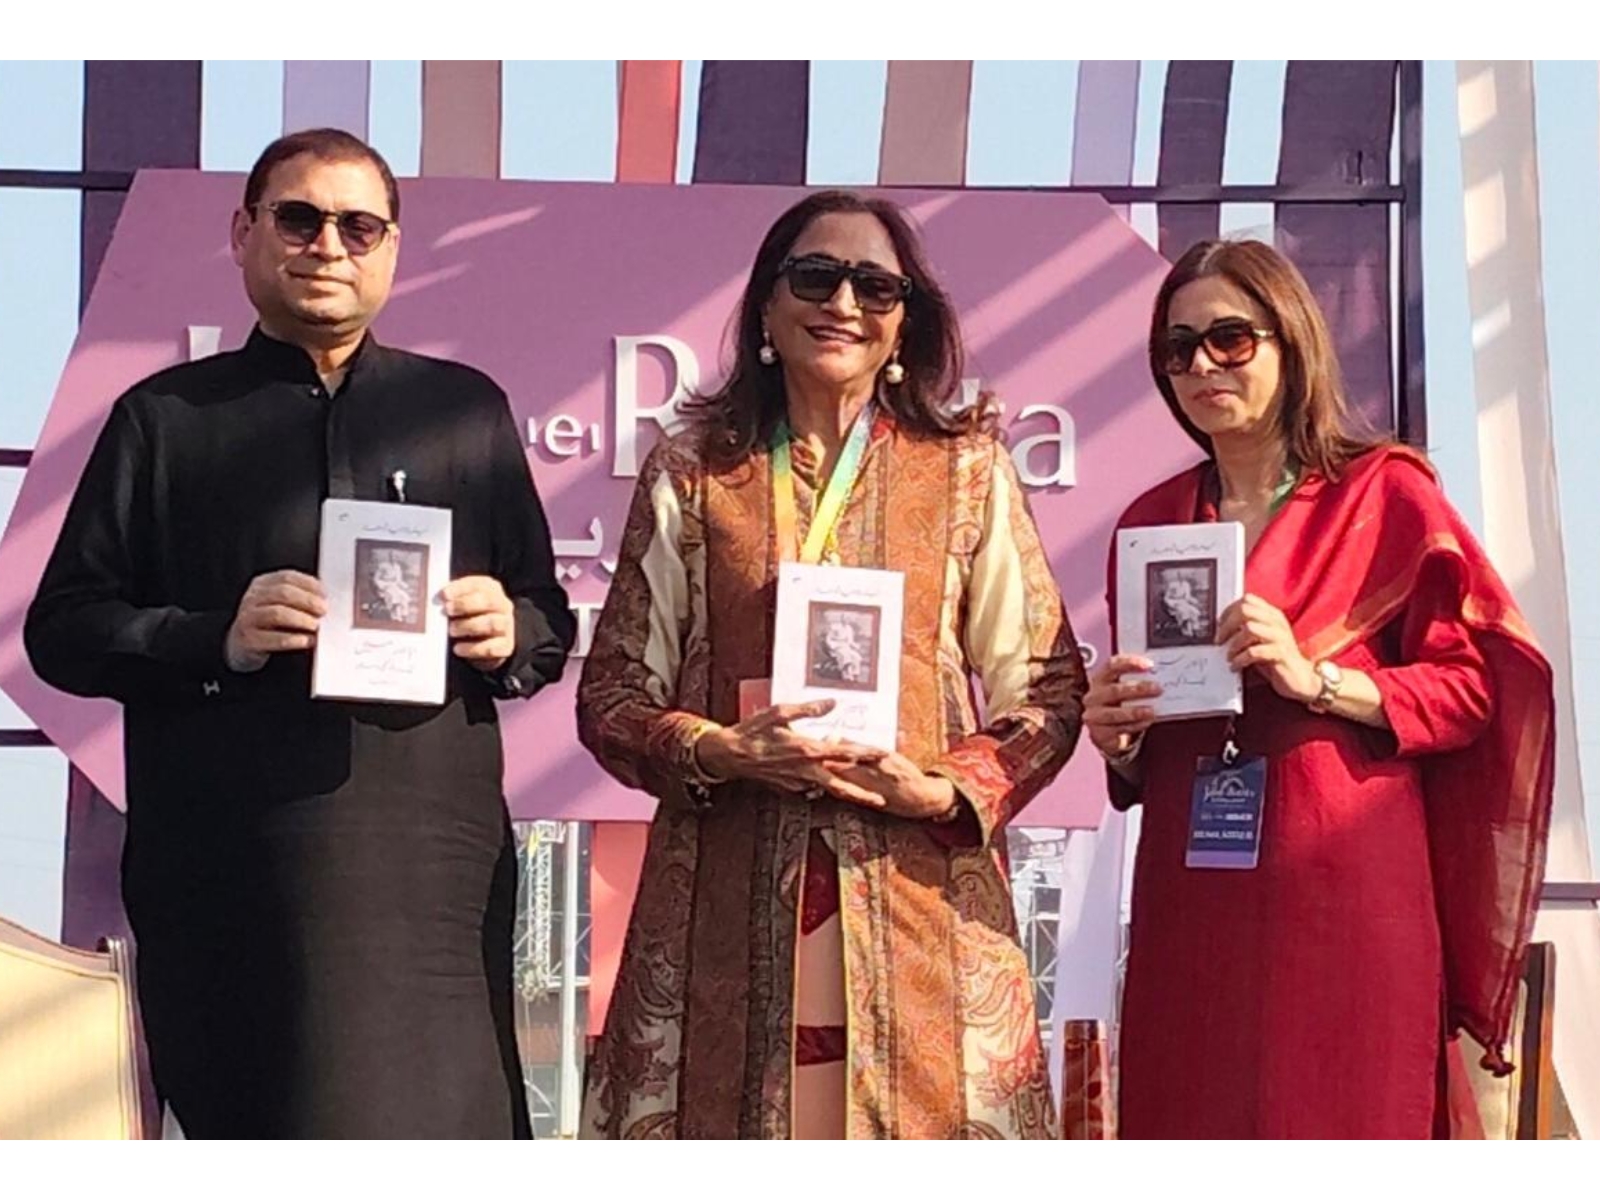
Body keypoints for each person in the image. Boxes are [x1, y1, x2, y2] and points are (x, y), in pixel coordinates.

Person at [25, 129, 576, 1138]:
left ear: (393, 250)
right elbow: (65, 630)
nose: (329, 245)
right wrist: (211, 637)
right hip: (236, 862)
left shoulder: (462, 411)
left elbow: (548, 624)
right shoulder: (165, 419)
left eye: (358, 225)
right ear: (244, 235)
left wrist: (510, 629)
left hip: (432, 876)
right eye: (300, 218)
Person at [577, 190, 1086, 1139]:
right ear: (767, 309)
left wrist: (940, 789)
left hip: (918, 896)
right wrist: (718, 749)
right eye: (816, 276)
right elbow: (610, 693)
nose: (844, 303)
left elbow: (1048, 691)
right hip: (725, 891)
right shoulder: (694, 469)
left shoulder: (966, 468)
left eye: (875, 285)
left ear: (906, 321)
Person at [1083, 238, 1554, 1138]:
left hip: (1344, 880)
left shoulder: (1384, 493)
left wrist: (1320, 680)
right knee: (1191, 1117)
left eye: (1229, 338)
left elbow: (1470, 693)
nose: (1201, 366)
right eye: (1178, 349)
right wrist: (1120, 737)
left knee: (1341, 1111)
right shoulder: (1150, 519)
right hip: (1195, 888)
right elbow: (1148, 748)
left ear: (1290, 343)